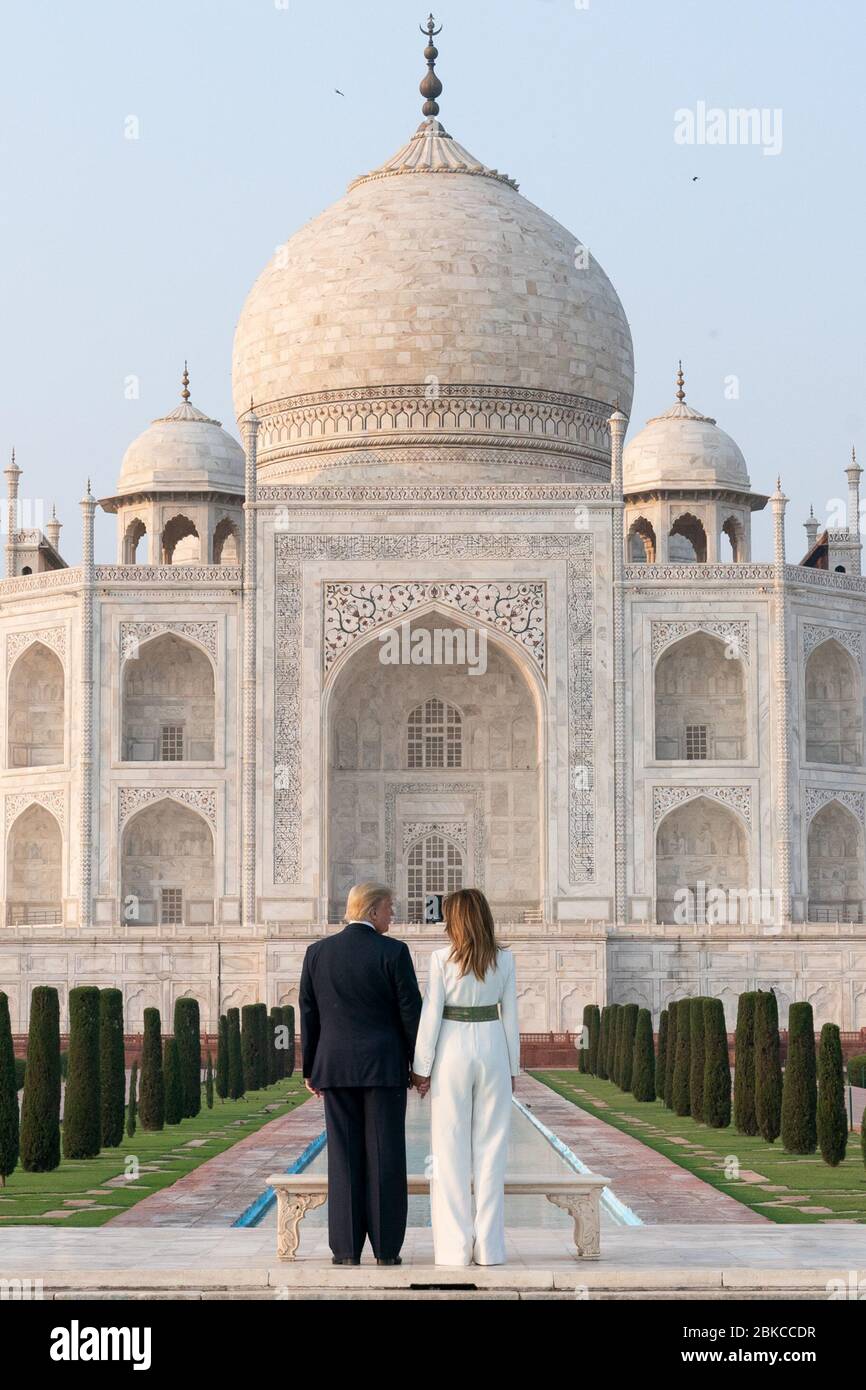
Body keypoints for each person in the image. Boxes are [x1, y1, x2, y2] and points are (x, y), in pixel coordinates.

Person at [299, 882, 422, 1266]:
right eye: (388, 908)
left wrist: (311, 1069)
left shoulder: (317, 953)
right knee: (385, 1156)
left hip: (335, 1069)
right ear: (371, 911)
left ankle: (347, 1250)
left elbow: (309, 1014)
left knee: (344, 1158)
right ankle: (386, 1250)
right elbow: (410, 1014)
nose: (392, 915)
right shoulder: (394, 952)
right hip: (383, 1069)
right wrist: (420, 1067)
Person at [411, 888, 520, 1266]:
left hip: (452, 1051)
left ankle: (455, 1249)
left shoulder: (441, 958)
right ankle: (490, 1249)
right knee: (492, 1152)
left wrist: (421, 1069)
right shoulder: (504, 959)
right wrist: (512, 1068)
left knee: (449, 1151)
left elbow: (431, 1014)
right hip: (492, 1047)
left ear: (453, 921)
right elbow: (511, 1016)